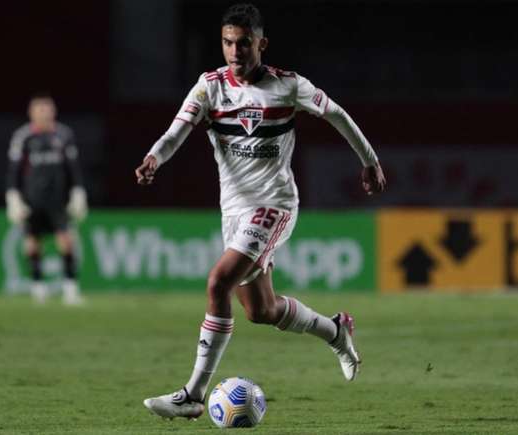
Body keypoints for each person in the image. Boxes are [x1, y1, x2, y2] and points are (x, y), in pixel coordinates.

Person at [136, 3, 386, 419]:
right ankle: (336, 330)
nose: (234, 51)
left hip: (274, 205)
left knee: (218, 283)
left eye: (244, 43)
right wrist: (154, 158)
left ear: (261, 44)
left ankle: (193, 394)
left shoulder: (288, 86)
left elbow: (337, 115)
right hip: (233, 211)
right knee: (261, 311)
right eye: (228, 42)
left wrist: (369, 160)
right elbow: (176, 131)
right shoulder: (210, 87)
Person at [5, 93, 88, 305]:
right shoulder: (23, 137)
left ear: (53, 111)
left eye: (47, 109)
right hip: (32, 200)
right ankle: (38, 287)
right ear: (31, 113)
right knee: (32, 244)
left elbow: (73, 167)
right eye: (39, 110)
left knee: (66, 242)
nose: (43, 114)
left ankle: (70, 289)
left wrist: (78, 191)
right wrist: (13, 196)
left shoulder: (64, 135)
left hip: (58, 199)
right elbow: (14, 170)